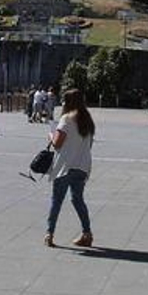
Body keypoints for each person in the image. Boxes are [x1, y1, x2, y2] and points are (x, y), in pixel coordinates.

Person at [44, 88, 96, 248]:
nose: (63, 103)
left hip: (65, 166)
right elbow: (89, 145)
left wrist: (51, 136)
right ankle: (87, 233)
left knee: (56, 200)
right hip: (82, 166)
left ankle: (49, 234)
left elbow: (58, 143)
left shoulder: (66, 119)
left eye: (65, 100)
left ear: (70, 102)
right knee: (78, 199)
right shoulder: (87, 120)